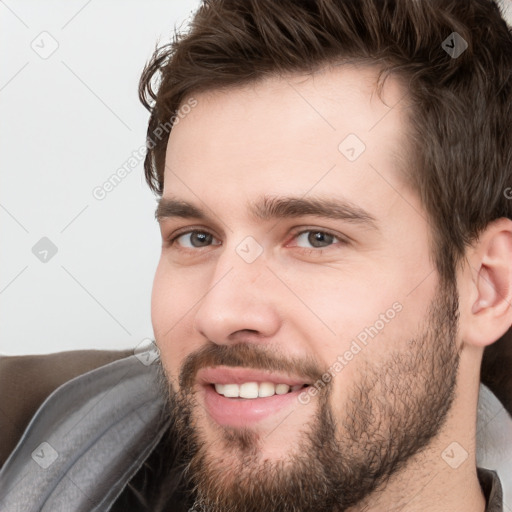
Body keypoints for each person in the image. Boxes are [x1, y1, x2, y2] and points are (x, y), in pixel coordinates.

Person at [0, 0, 511, 511]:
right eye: (196, 237)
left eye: (315, 238)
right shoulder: (30, 432)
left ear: (487, 287)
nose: (219, 314)